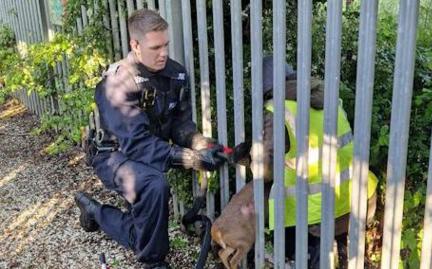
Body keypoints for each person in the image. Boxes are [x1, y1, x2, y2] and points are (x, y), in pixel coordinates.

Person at [75, 9, 225, 269]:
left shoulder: (175, 73)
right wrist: (188, 159)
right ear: (135, 44)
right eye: (155, 47)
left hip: (148, 154)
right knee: (153, 185)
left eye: (166, 44)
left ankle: (96, 213)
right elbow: (135, 142)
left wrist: (198, 142)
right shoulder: (117, 83)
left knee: (143, 233)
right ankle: (153, 262)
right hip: (114, 155)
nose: (163, 53)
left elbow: (180, 122)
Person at [237, 56, 378, 268]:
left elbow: (266, 171)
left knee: (292, 231)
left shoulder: (277, 109)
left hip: (316, 209)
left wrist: (247, 159)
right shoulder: (326, 96)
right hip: (358, 195)